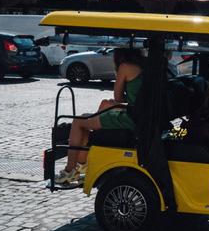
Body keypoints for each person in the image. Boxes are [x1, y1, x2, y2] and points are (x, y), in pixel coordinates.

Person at [54, 47, 145, 185]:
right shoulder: (144, 64)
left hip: (133, 116)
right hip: (142, 112)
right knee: (105, 104)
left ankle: (70, 170)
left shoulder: (125, 66)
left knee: (79, 121)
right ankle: (83, 162)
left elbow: (118, 97)